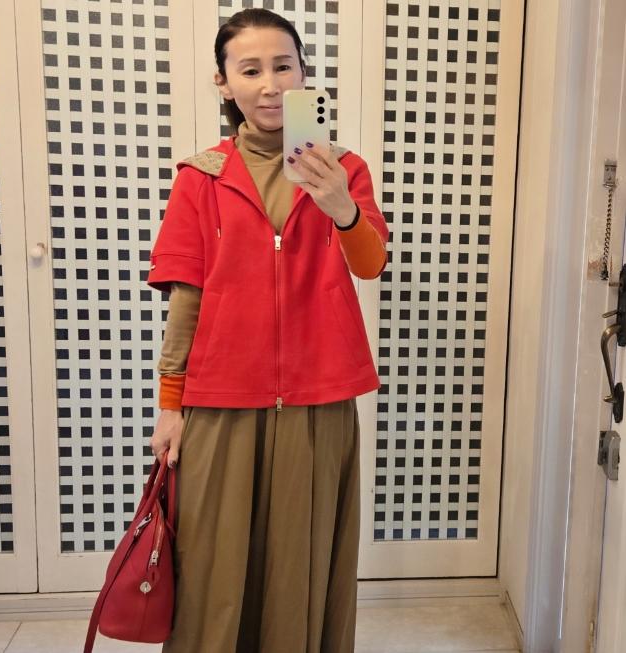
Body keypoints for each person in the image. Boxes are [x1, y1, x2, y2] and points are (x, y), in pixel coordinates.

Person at [147, 8, 389, 653]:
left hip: (318, 399)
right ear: (224, 83)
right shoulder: (201, 176)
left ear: (305, 74)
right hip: (220, 398)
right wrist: (171, 405)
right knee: (213, 565)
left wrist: (342, 208)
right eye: (249, 70)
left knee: (300, 564)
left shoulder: (344, 168)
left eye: (284, 66)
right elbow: (187, 297)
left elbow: (370, 264)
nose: (270, 84)